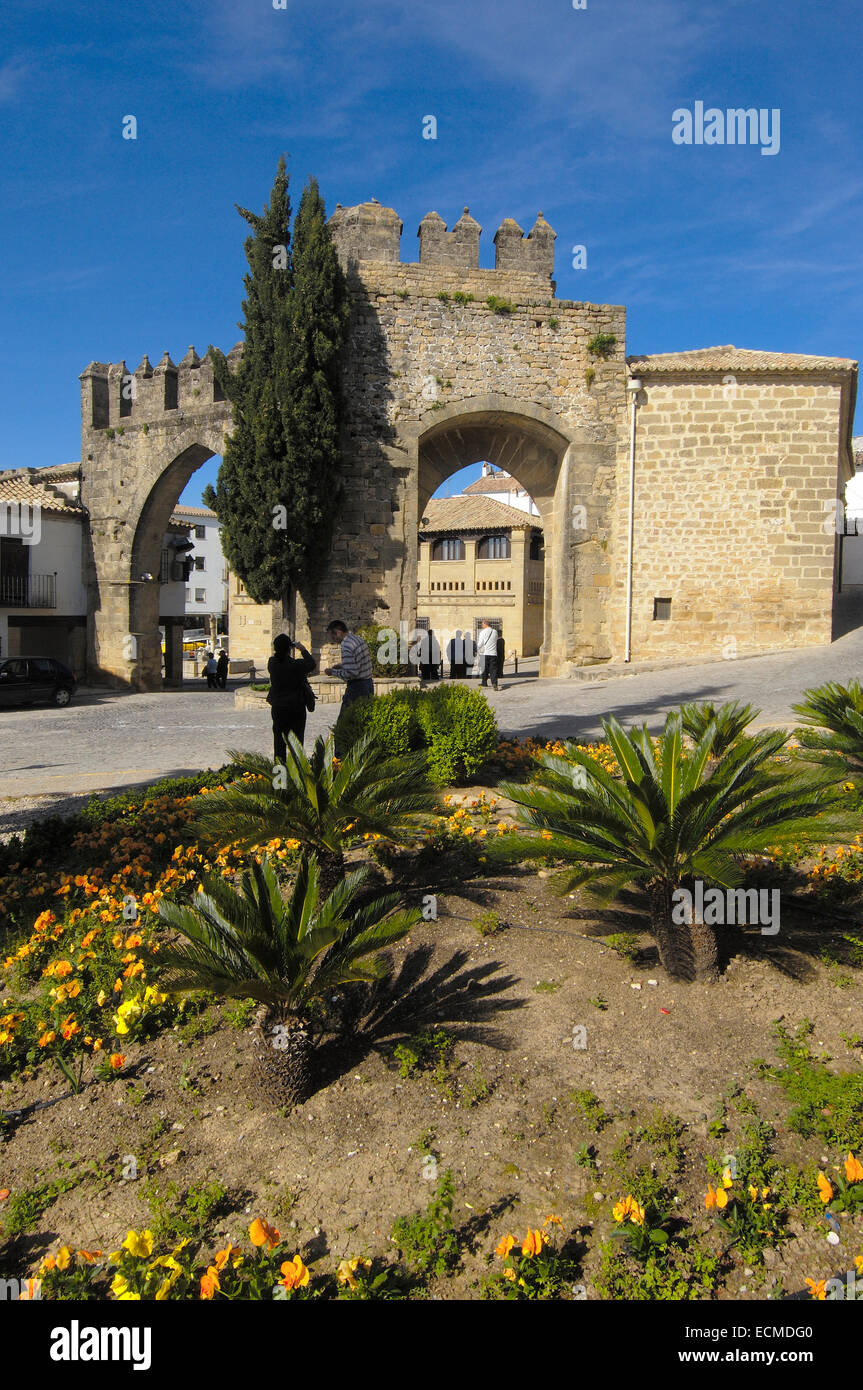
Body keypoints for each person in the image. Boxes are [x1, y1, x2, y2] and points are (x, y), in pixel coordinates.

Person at [267, 633, 316, 763]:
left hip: (278, 707)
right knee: (297, 743)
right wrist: (302, 649)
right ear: (290, 648)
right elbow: (311, 664)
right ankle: (297, 772)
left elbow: (279, 658)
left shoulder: (272, 663)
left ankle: (280, 774)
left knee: (279, 744)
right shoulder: (296, 665)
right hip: (296, 708)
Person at [324, 620, 374, 715]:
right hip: (368, 683)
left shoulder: (346, 646)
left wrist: (332, 672)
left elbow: (351, 673)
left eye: (332, 636)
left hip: (357, 688)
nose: (332, 639)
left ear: (339, 633)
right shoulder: (358, 639)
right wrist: (343, 666)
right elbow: (359, 663)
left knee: (347, 721)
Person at [476, 620, 499, 690]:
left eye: (482, 624)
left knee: (484, 669)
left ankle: (484, 682)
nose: (481, 626)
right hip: (493, 653)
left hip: (485, 653)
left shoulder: (483, 632)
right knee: (493, 669)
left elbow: (480, 644)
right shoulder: (495, 632)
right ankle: (494, 683)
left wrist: (475, 649)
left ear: (485, 624)